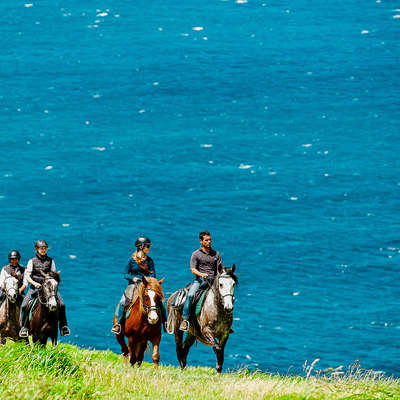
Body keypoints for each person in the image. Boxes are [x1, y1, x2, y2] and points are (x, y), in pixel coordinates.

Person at [111, 236, 167, 334]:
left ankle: (165, 323)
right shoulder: (131, 260)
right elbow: (125, 273)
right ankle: (118, 324)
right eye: (147, 246)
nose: (149, 248)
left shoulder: (150, 261)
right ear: (141, 247)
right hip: (133, 285)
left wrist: (149, 281)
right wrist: (133, 278)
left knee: (160, 301)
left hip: (146, 285)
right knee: (123, 301)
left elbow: (153, 274)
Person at [19, 240, 70, 338]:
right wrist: (34, 283)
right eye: (41, 248)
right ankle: (24, 328)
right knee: (24, 305)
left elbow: (53, 274)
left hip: (49, 288)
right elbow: (27, 276)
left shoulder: (51, 261)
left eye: (45, 248)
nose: (43, 250)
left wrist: (53, 280)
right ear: (37, 249)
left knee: (62, 304)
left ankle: (63, 327)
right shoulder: (31, 261)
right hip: (35, 287)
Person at [180, 230, 223, 331]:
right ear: (201, 241)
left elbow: (219, 268)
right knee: (190, 295)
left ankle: (225, 320)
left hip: (214, 281)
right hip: (201, 281)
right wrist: (201, 274)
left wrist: (221, 274)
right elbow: (193, 269)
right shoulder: (196, 254)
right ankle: (185, 319)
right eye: (206, 240)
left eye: (210, 240)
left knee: (226, 296)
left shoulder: (216, 254)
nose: (209, 242)